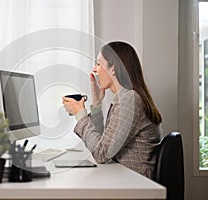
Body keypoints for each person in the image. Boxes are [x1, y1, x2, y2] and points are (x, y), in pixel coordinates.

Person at [62, 41, 162, 179]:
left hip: (134, 185)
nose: (95, 70)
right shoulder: (125, 98)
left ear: (113, 68)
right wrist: (96, 104)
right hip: (125, 178)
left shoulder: (130, 100)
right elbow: (103, 143)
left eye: (98, 64)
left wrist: (80, 114)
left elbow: (101, 153)